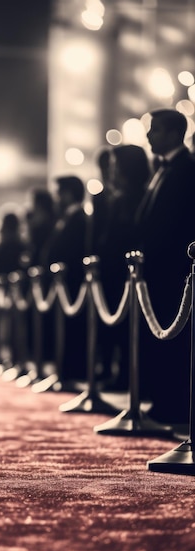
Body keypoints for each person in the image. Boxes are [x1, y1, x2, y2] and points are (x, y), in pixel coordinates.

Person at [135, 108, 195, 426]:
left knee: (174, 340)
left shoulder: (186, 168)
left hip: (175, 269)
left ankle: (173, 403)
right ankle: (161, 400)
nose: (148, 135)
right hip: (156, 268)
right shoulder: (161, 168)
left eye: (155, 130)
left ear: (174, 134)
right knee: (159, 337)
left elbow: (177, 222)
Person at [96, 144, 151, 390]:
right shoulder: (119, 198)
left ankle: (129, 377)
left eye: (116, 166)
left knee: (130, 330)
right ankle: (119, 375)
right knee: (116, 330)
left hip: (128, 273)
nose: (112, 171)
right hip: (112, 272)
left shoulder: (139, 196)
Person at [40, 175, 88, 383]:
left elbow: (73, 251)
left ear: (68, 194)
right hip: (63, 282)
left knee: (73, 330)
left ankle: (72, 371)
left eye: (58, 193)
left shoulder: (79, 218)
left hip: (72, 282)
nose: (56, 199)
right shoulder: (67, 218)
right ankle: (64, 369)